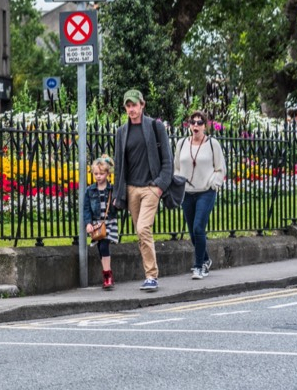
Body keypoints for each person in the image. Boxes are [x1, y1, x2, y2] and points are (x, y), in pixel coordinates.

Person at [111, 88, 172, 292]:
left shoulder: (156, 126)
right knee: (141, 234)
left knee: (143, 229)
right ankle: (149, 274)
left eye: (134, 105)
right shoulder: (121, 132)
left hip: (151, 188)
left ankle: (151, 276)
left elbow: (167, 160)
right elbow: (119, 165)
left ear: (142, 105)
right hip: (131, 190)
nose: (131, 109)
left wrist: (160, 186)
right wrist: (119, 193)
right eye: (128, 106)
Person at [174, 111, 227, 279]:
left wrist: (214, 183)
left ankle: (198, 267)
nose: (195, 125)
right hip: (187, 193)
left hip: (206, 192)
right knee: (192, 232)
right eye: (193, 122)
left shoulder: (212, 144)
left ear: (205, 125)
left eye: (199, 122)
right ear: (189, 125)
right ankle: (205, 259)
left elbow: (220, 168)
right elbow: (176, 166)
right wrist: (178, 182)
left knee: (198, 227)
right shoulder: (181, 143)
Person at [82, 155, 119, 290]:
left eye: (101, 174)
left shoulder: (112, 189)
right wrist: (88, 223)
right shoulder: (90, 190)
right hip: (97, 224)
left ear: (107, 174)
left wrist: (117, 203)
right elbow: (86, 209)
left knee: (104, 246)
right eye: (96, 174)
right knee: (100, 249)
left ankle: (107, 276)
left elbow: (119, 205)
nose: (98, 176)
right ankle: (108, 274)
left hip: (109, 222)